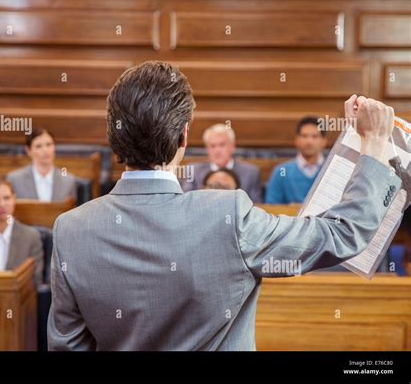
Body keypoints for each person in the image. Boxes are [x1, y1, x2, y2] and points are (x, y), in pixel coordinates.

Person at [48, 61, 402, 351]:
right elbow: (343, 233)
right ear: (184, 136)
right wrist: (372, 144)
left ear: (114, 136)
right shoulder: (228, 215)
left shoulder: (70, 229)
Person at [182, 124, 262, 202]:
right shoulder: (193, 171)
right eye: (212, 146)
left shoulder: (251, 172)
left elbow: (256, 205)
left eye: (222, 145)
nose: (217, 151)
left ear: (233, 146)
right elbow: (186, 201)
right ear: (207, 149)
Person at [265, 117, 327, 204]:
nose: (309, 141)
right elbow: (271, 207)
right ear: (296, 140)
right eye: (304, 136)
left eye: (315, 136)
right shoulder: (281, 171)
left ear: (324, 141)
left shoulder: (334, 171)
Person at [7, 128, 77, 202]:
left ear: (54, 147)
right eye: (38, 146)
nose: (45, 150)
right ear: (28, 151)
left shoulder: (68, 180)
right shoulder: (15, 179)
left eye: (49, 144)